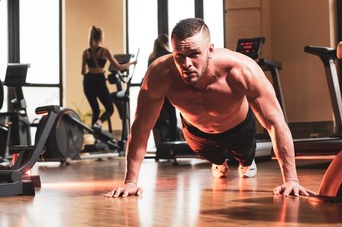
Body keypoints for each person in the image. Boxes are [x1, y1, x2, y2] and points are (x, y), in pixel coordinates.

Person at [105, 18, 315, 198]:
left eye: (195, 54)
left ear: (210, 50)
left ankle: (245, 162)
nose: (186, 63)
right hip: (196, 133)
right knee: (215, 160)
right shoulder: (160, 74)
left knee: (244, 158)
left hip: (239, 129)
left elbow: (275, 123)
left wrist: (291, 180)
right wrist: (130, 182)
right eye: (179, 55)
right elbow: (141, 128)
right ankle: (219, 162)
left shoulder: (241, 69)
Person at [81, 26, 136, 129]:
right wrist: (131, 63)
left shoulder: (85, 52)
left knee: (95, 110)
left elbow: (83, 72)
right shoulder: (105, 51)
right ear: (101, 37)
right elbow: (118, 67)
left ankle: (95, 138)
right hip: (99, 81)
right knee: (110, 109)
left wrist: (91, 68)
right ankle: (99, 123)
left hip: (87, 82)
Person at [148, 33, 179, 141]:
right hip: (168, 89)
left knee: (156, 114)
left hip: (155, 91)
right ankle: (173, 137)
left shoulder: (151, 57)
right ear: (166, 43)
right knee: (171, 113)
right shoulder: (170, 55)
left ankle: (159, 139)